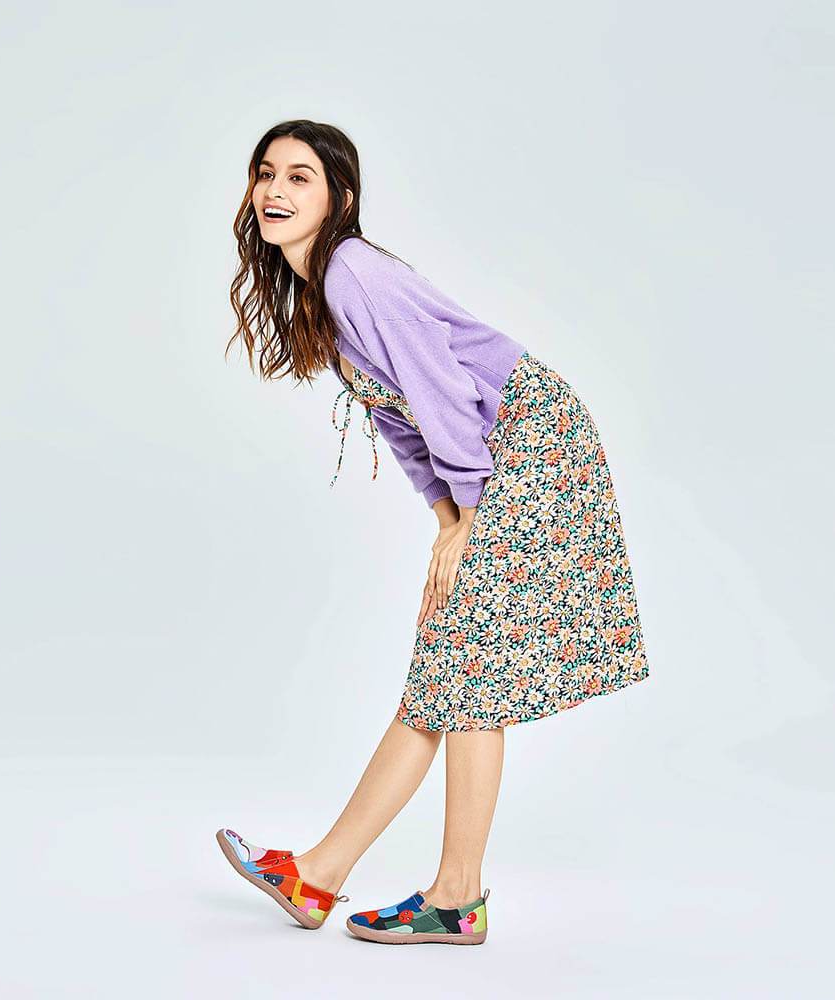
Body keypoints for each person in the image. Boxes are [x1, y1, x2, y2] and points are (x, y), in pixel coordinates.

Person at [218, 119, 650, 945]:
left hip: (531, 439)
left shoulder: (351, 272)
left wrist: (473, 506)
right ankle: (323, 876)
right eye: (266, 173)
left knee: (466, 670)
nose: (275, 190)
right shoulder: (320, 294)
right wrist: (446, 515)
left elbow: (444, 390)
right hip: (491, 461)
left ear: (339, 197)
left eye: (299, 177)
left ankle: (443, 896)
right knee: (449, 670)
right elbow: (399, 418)